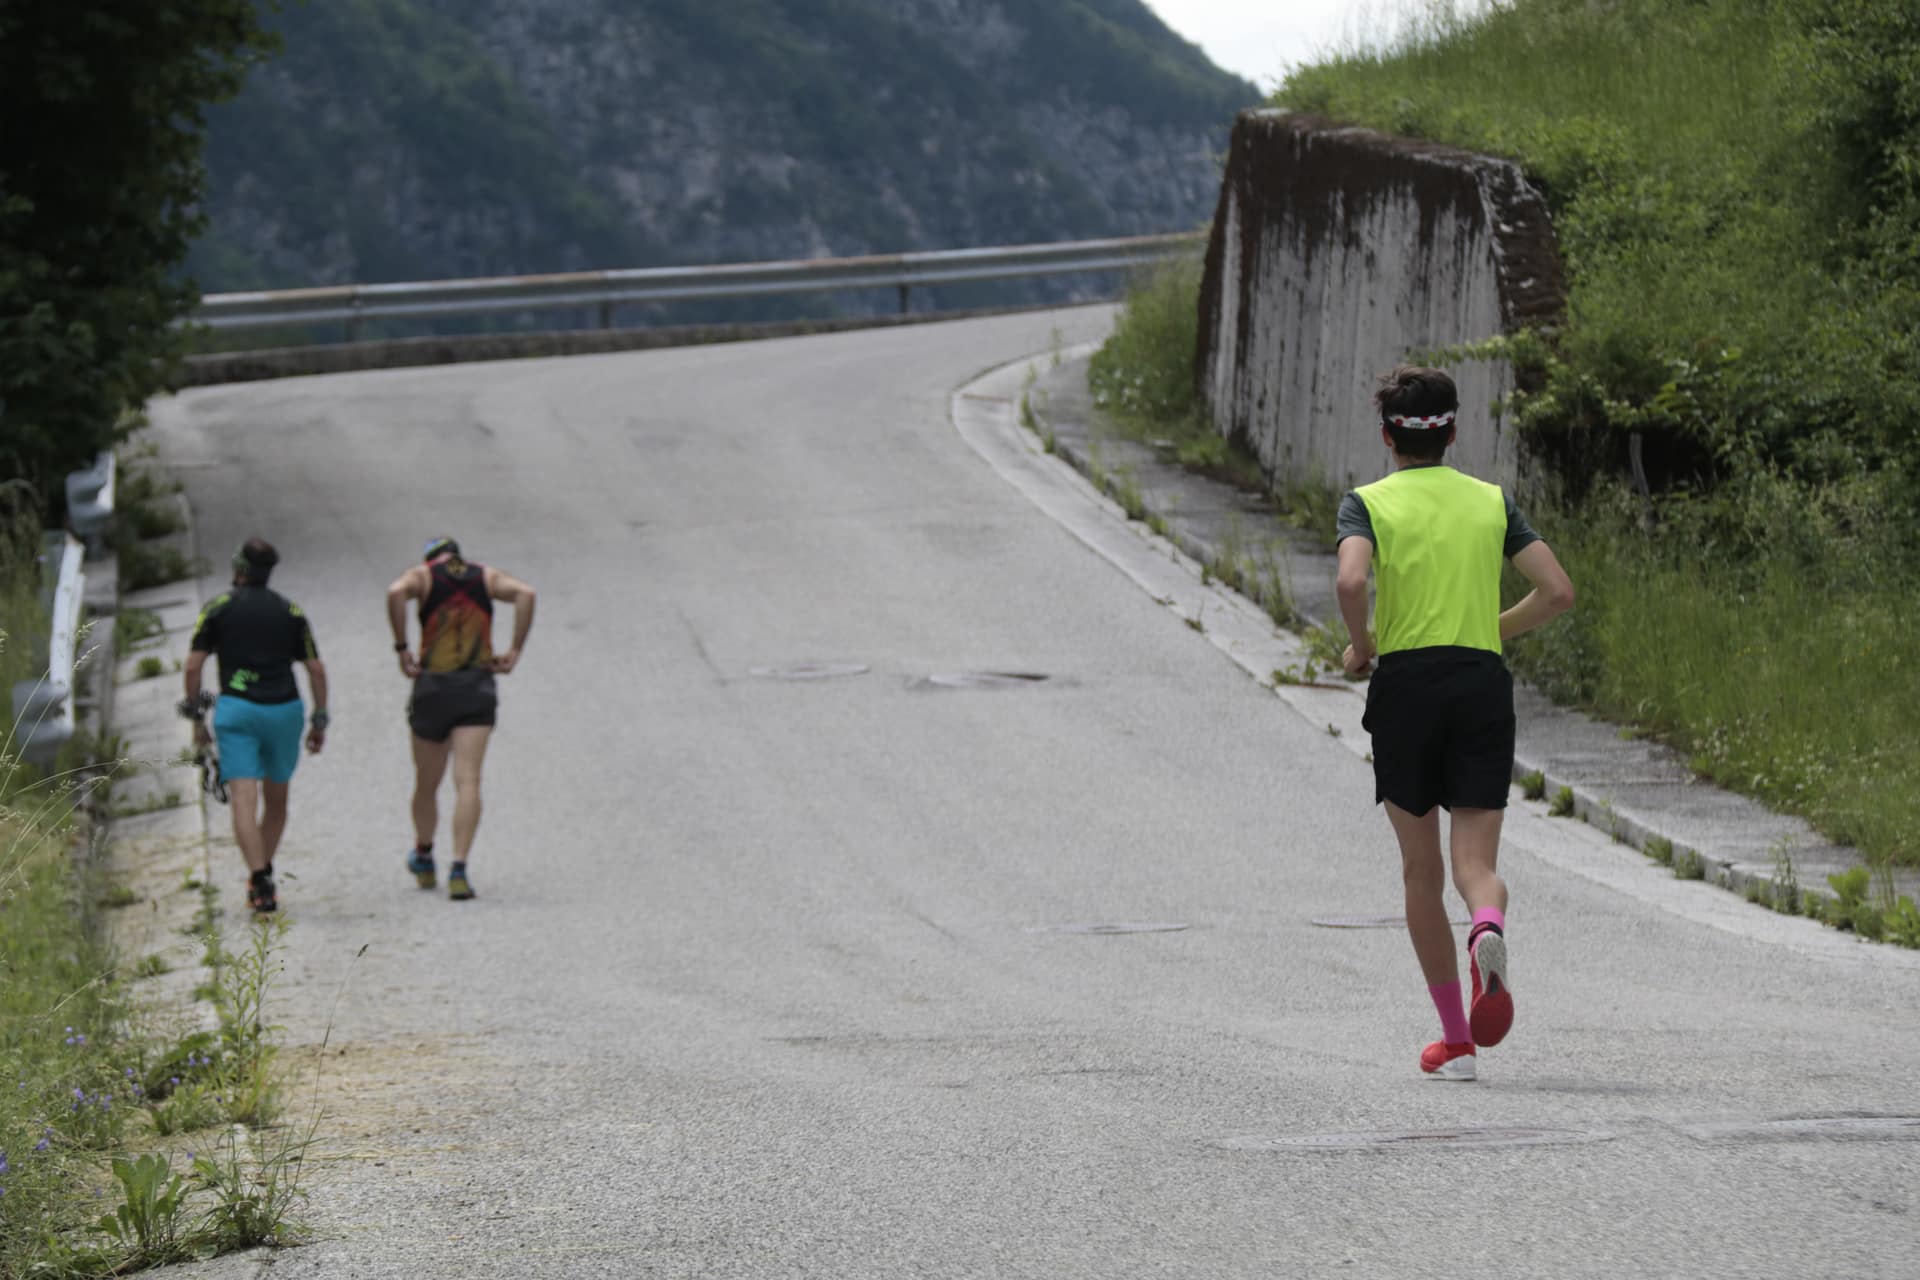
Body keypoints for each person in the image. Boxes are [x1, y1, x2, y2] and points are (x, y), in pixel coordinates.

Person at [1334, 366, 1575, 1082]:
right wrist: (1486, 630)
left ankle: (1457, 1042)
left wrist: (1362, 644)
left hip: (1406, 689)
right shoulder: (1491, 501)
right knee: (1477, 867)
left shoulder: (1368, 503)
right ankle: (1488, 931)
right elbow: (1557, 591)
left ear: (1387, 437)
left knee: (1422, 871)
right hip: (1479, 685)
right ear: (1453, 433)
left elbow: (1351, 580)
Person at [182, 537, 328, 915]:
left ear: (239, 568)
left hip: (238, 710)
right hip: (284, 711)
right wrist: (319, 718)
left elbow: (193, 666)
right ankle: (262, 874)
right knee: (277, 801)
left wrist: (197, 719)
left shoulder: (218, 608)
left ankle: (259, 877)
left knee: (243, 800)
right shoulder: (290, 611)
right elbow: (315, 668)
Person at [386, 537, 536, 901]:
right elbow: (526, 594)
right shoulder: (485, 576)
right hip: (476, 687)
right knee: (468, 780)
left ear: (431, 558)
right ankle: (459, 866)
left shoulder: (423, 576)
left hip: (433, 688)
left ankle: (424, 854)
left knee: (427, 782)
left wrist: (402, 647)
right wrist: (515, 649)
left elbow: (395, 592)